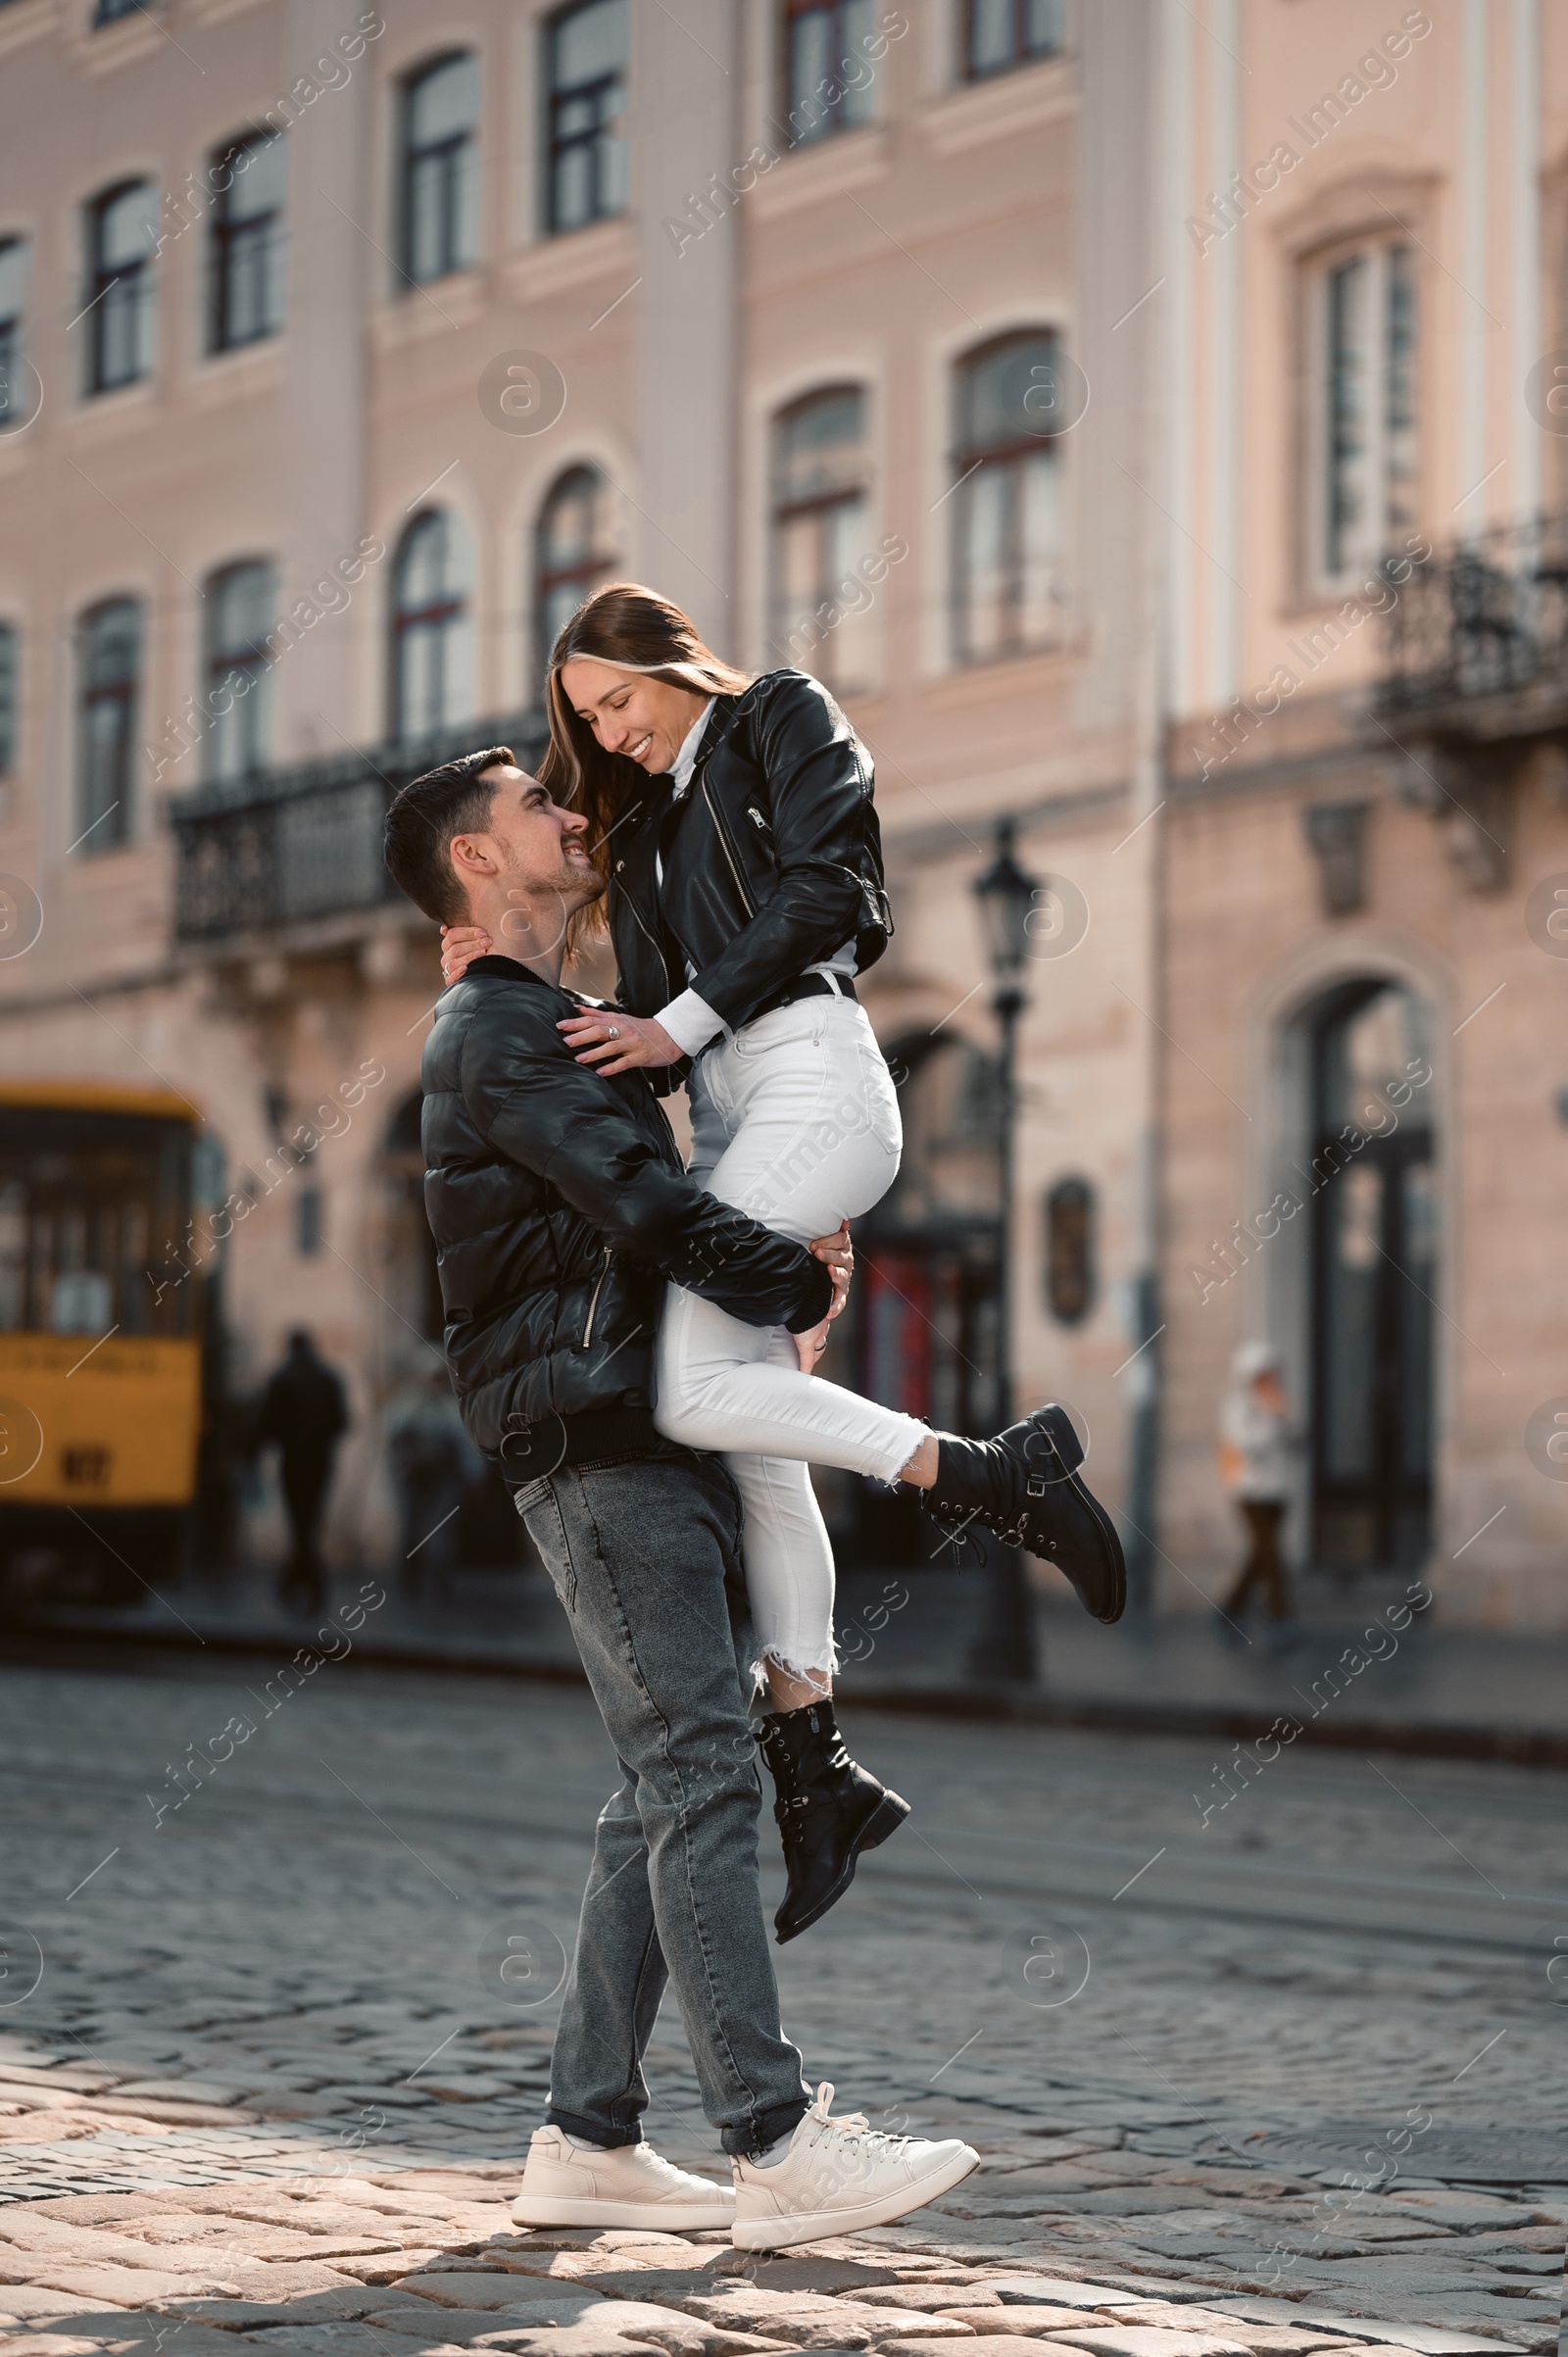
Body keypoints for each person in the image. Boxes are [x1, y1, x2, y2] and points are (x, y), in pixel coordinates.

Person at [439, 583, 1125, 1941]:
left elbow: (833, 890)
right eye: (587, 722)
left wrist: (681, 1024)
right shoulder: (638, 829)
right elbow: (638, 1028)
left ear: (673, 666)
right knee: (756, 1440)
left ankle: (995, 1476)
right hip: (746, 1118)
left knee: (694, 1393)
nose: (613, 735)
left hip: (815, 1078)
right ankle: (816, 1769)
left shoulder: (777, 719)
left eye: (618, 701)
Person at [383, 748, 995, 2246]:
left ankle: (585, 2137)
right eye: (537, 801)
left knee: (664, 1780)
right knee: (703, 1774)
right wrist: (790, 1277)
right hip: (592, 1446)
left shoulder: (543, 1021)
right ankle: (775, 2146)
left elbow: (649, 1211)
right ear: (474, 862)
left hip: (631, 1434)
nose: (569, 814)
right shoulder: (499, 1028)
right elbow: (643, 1205)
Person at [256, 1329, 349, 1614]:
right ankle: (305, 1583)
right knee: (309, 1521)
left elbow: (265, 1423)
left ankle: (299, 1582)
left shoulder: (281, 1378)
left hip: (293, 1461)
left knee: (299, 1523)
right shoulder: (329, 1378)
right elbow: (342, 1421)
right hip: (320, 1461)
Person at [1218, 1342, 1298, 1634]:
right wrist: (1272, 1421)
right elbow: (1244, 1445)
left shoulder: (1275, 1402)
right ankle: (1282, 1616)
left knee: (1259, 1553)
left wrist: (1284, 1421)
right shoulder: (1238, 1405)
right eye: (1264, 1375)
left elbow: (1292, 1442)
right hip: (1249, 1490)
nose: (1270, 1381)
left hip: (1277, 1490)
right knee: (1271, 1554)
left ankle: (1231, 1608)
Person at [386, 1365, 474, 1596]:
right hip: (413, 1479)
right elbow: (395, 1441)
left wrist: (472, 1475)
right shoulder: (407, 1405)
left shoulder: (451, 1408)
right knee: (412, 1529)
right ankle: (410, 1577)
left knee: (442, 1530)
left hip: (443, 1478)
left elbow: (465, 1446)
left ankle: (440, 1578)